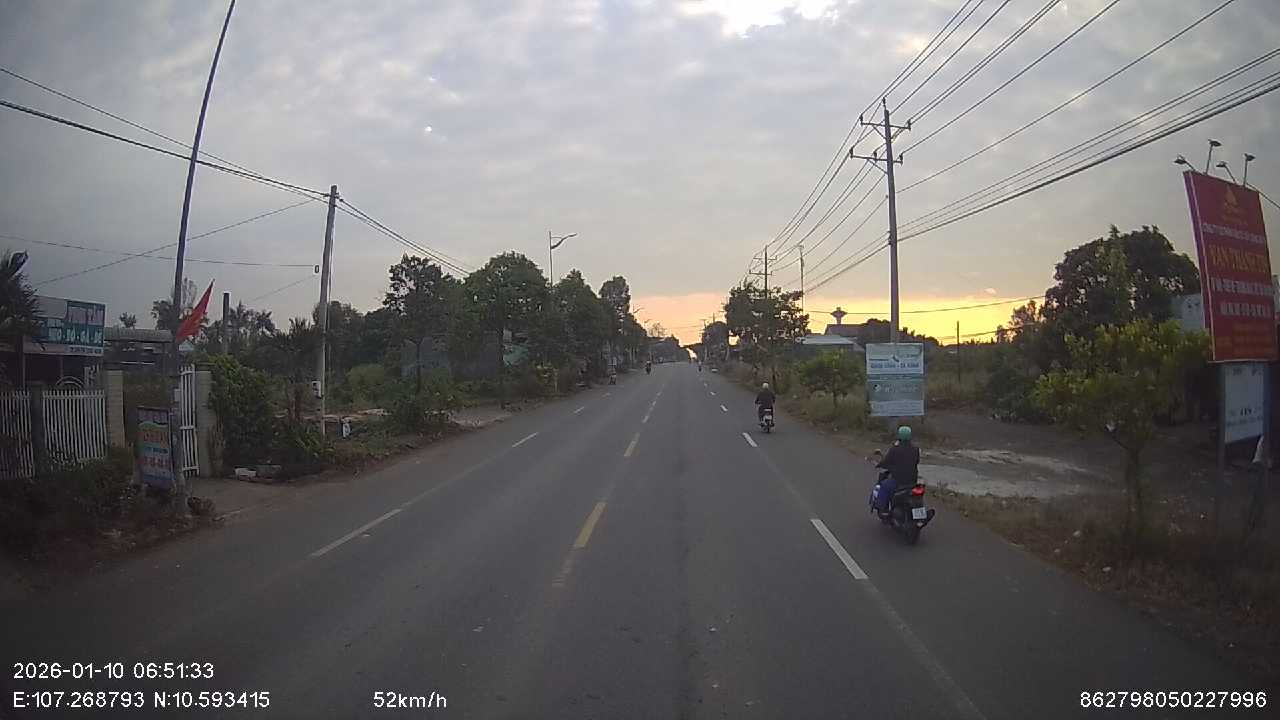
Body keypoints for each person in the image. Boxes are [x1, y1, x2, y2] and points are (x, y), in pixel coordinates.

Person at [873, 425, 920, 512]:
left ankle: (882, 508)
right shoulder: (916, 449)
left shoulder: (894, 449)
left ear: (899, 436)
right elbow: (916, 461)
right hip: (913, 481)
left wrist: (879, 464)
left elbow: (886, 462)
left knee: (883, 486)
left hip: (898, 481)